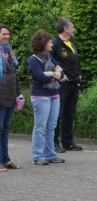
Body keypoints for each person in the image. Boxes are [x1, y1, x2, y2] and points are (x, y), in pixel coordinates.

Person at [28, 30, 66, 166]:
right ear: (43, 43)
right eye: (50, 42)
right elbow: (41, 78)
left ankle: (50, 154)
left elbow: (61, 74)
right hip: (40, 96)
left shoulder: (50, 57)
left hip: (54, 94)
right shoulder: (33, 60)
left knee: (51, 126)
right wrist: (53, 73)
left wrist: (51, 73)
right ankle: (38, 156)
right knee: (40, 127)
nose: (52, 44)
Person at [51, 18, 82, 153]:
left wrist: (80, 73)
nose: (74, 29)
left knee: (69, 113)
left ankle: (68, 142)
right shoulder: (54, 43)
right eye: (72, 27)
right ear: (65, 29)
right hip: (61, 84)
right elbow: (50, 63)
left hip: (74, 83)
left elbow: (76, 61)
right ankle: (54, 142)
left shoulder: (71, 42)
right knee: (58, 113)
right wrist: (60, 75)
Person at [0, 24, 21, 171]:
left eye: (8, 34)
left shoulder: (10, 52)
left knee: (5, 129)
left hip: (10, 95)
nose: (7, 36)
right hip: (0, 96)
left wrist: (18, 94)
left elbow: (13, 75)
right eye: (3, 34)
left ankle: (6, 159)